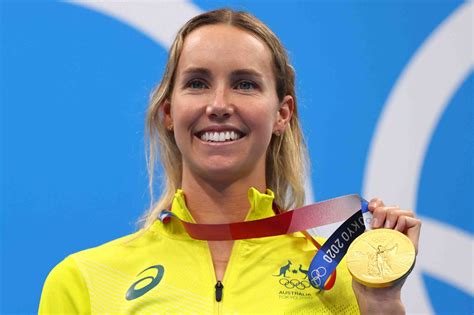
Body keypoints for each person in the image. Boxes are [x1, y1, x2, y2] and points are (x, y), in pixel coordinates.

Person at [39, 8, 421, 314]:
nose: (219, 105)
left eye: (245, 84)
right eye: (198, 83)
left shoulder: (341, 283)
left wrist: (382, 304)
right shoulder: (86, 281)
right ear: (169, 113)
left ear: (282, 114)